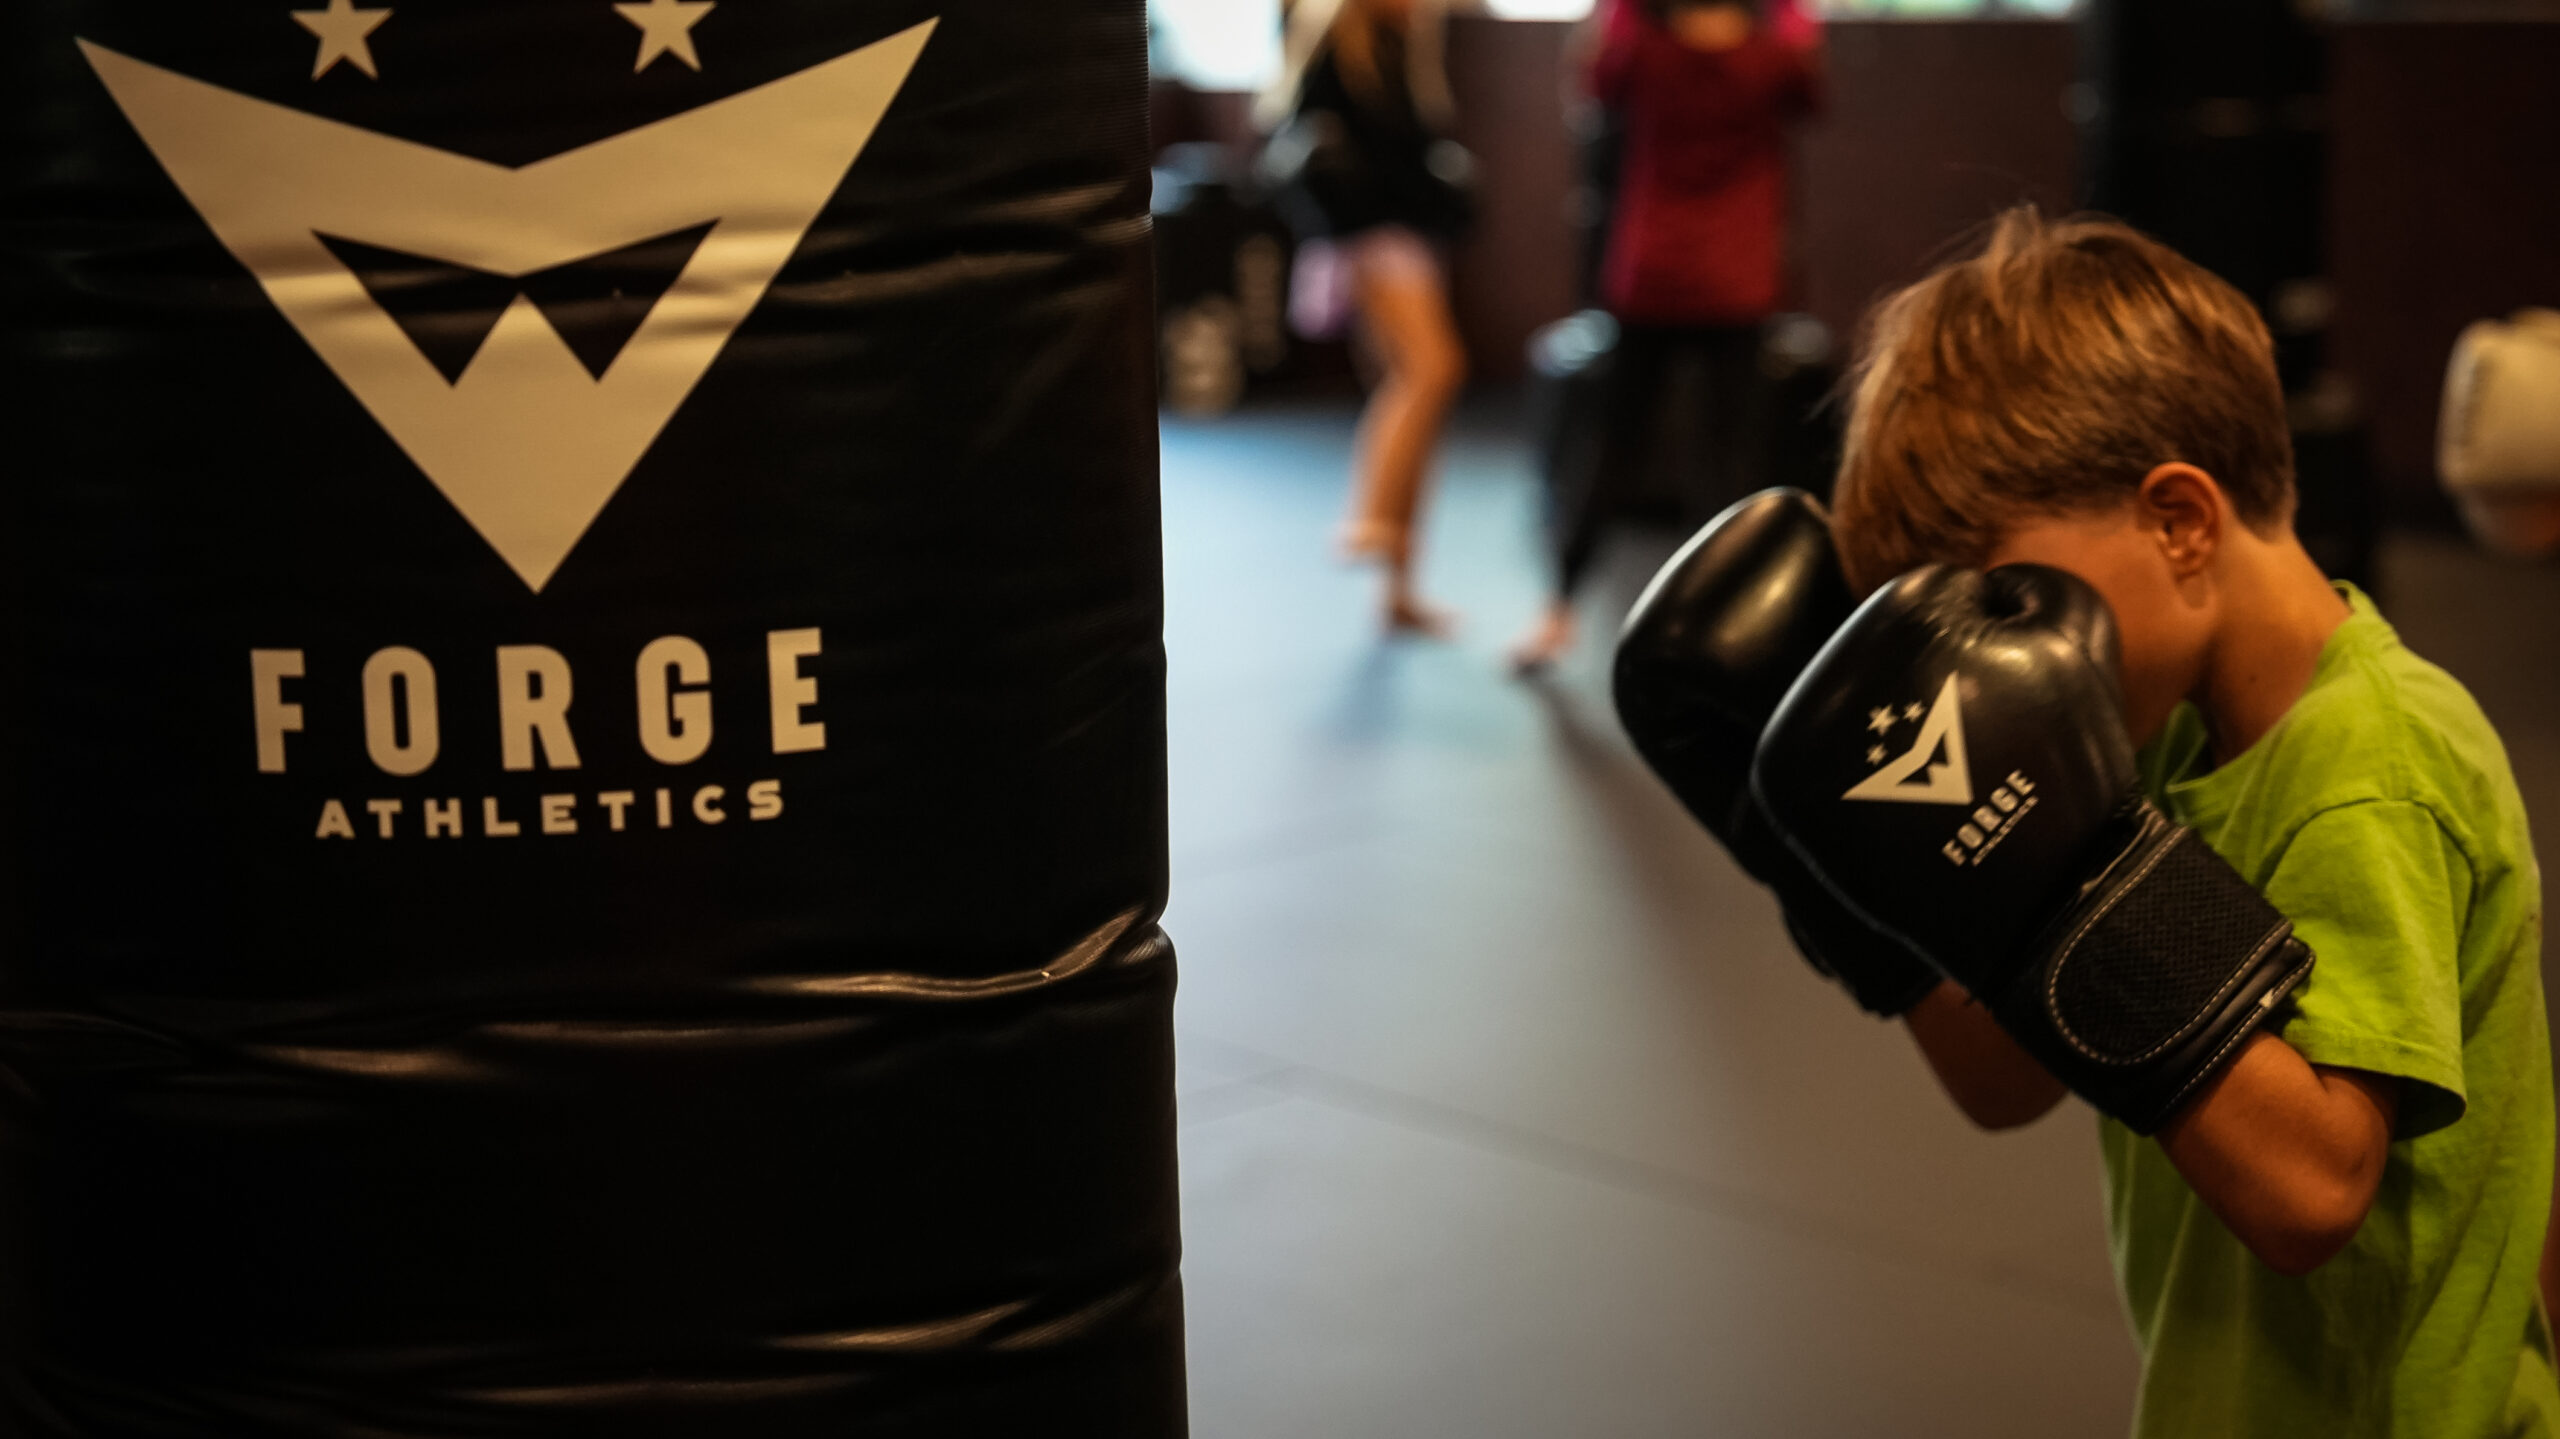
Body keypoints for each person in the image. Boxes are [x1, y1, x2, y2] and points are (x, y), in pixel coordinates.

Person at [1631, 207, 2559, 1437]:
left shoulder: (2370, 760)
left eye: (2005, 591)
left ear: (2179, 520)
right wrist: (1827, 872)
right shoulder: (2160, 737)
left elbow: (2311, 1187)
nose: (1986, 654)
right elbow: (2006, 1077)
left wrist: (2087, 876)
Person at [1511, 0, 1822, 671]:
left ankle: (1558, 612)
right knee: (1734, 467)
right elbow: (1810, 87)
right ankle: (1741, 636)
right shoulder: (1770, 56)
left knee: (1612, 451)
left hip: (1650, 272)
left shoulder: (1641, 50)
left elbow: (1591, 83)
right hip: (1735, 276)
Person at [1261, 0, 1471, 635]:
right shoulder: (1340, 48)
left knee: (1412, 397)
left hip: (1399, 238)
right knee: (1434, 370)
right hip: (1370, 243)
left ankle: (1399, 591)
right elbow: (1312, 156)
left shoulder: (1403, 49)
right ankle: (1370, 515)